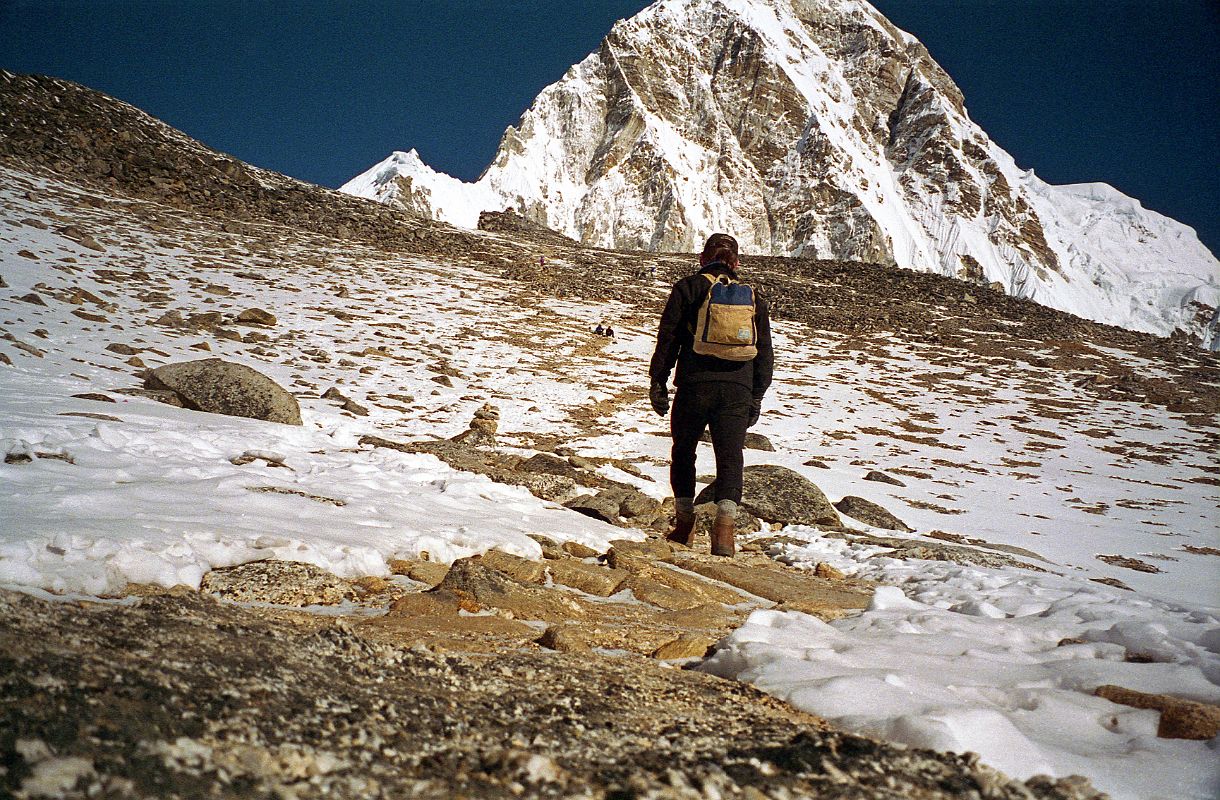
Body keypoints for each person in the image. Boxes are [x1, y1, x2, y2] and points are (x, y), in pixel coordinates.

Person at [648, 233, 773, 556]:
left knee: (684, 451)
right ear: (736, 263)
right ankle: (724, 533)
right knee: (730, 458)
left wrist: (658, 381)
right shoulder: (752, 298)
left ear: (703, 258)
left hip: (694, 385)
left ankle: (684, 525)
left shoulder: (688, 288)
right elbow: (764, 353)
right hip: (737, 388)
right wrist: (756, 395)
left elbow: (668, 338)